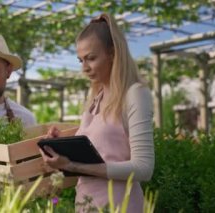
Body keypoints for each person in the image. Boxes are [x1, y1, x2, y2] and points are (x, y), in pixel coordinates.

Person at [39, 14, 154, 212]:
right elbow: (98, 149)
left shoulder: (134, 94)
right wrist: (61, 143)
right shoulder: (96, 98)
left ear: (113, 53)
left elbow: (144, 168)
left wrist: (74, 166)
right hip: (86, 204)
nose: (84, 68)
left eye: (91, 58)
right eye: (80, 60)